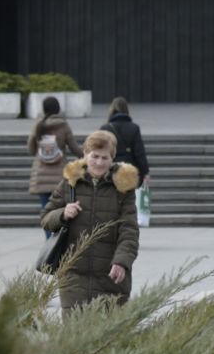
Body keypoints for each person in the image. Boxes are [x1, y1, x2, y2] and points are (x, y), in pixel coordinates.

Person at [40, 129, 141, 313]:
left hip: (110, 277)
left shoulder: (123, 188)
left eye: (105, 158)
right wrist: (63, 213)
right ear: (85, 154)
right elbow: (46, 219)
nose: (99, 162)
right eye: (95, 156)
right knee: (74, 334)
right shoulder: (70, 183)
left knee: (109, 338)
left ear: (113, 159)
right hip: (73, 276)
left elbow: (129, 230)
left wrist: (122, 261)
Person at [27, 96, 75, 213]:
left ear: (44, 109)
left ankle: (49, 232)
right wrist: (85, 157)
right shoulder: (63, 125)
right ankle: (56, 231)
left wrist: (39, 153)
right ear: (58, 109)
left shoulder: (39, 125)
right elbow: (73, 146)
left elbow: (31, 147)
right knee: (59, 210)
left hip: (41, 173)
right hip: (60, 173)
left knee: (46, 209)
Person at [103, 97, 151, 178]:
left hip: (111, 170)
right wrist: (145, 172)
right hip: (130, 170)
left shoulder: (105, 128)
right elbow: (139, 153)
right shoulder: (134, 128)